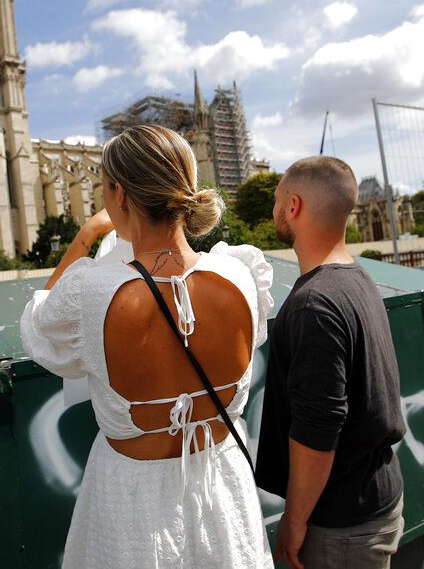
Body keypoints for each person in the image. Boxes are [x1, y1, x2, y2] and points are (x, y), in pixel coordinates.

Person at [20, 124, 275, 568]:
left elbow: (42, 331)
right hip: (224, 491)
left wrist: (85, 239)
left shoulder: (93, 292)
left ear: (120, 196)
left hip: (133, 508)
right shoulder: (242, 274)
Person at [256, 156, 406, 569]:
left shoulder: (314, 305)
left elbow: (317, 431)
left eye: (277, 199)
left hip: (341, 524)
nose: (274, 209)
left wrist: (294, 519)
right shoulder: (358, 279)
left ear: (293, 207)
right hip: (376, 497)